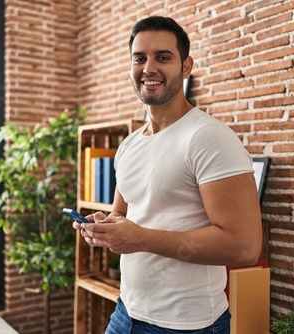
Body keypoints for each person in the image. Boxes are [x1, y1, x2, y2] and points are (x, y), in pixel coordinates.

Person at [72, 16, 263, 334]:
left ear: (186, 66)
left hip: (187, 324)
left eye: (163, 57)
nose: (148, 68)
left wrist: (141, 238)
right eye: (139, 58)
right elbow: (123, 213)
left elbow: (244, 246)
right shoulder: (129, 145)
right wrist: (104, 228)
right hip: (126, 311)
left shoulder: (208, 137)